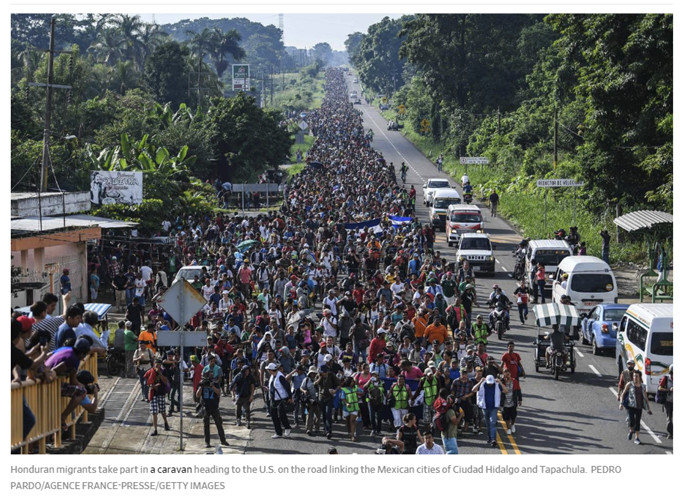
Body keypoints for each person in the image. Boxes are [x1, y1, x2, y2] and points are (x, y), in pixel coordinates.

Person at [473, 374, 508, 447]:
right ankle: (490, 438)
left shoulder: (497, 385)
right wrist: (480, 382)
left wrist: (500, 382)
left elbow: (506, 391)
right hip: (485, 408)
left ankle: (493, 439)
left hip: (493, 408)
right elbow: (473, 390)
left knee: (493, 423)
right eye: (489, 383)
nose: (490, 385)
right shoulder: (482, 384)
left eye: (491, 383)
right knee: (488, 424)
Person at [619, 369, 653, 444]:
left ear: (640, 377)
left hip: (639, 407)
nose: (635, 377)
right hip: (631, 406)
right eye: (634, 376)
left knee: (638, 422)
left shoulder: (643, 386)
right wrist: (621, 403)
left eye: (637, 376)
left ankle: (637, 438)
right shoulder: (629, 384)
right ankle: (631, 430)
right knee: (631, 421)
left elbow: (646, 398)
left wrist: (648, 408)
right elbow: (623, 394)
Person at [197, 369, 229, 448]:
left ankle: (223, 440)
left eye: (212, 374)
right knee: (206, 426)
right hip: (206, 407)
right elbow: (198, 395)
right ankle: (207, 442)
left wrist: (212, 386)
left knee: (219, 424)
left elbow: (218, 392)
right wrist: (201, 386)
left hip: (214, 407)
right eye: (209, 375)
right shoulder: (202, 383)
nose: (211, 376)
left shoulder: (215, 383)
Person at [266, 362, 293, 439]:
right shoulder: (272, 376)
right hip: (273, 399)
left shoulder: (280, 376)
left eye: (268, 370)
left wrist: (290, 397)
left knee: (282, 415)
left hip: (281, 399)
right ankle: (278, 432)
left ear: (271, 370)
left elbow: (287, 386)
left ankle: (287, 427)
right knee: (274, 416)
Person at [143, 361, 170, 436]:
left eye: (159, 364)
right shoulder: (150, 372)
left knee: (162, 410)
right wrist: (152, 386)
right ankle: (155, 429)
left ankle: (166, 422)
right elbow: (147, 383)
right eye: (156, 364)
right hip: (153, 393)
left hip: (161, 393)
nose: (157, 366)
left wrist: (160, 374)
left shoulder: (163, 371)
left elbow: (165, 381)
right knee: (154, 412)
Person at [301, 366, 321, 436]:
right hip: (309, 400)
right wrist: (304, 391)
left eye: (314, 373)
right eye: (312, 373)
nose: (313, 374)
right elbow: (301, 387)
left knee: (318, 415)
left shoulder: (319, 379)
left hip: (318, 400)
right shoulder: (306, 380)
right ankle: (309, 429)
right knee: (309, 414)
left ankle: (317, 428)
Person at [340, 376, 360, 441]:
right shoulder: (344, 389)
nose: (353, 382)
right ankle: (349, 432)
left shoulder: (355, 388)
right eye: (352, 381)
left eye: (353, 381)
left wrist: (358, 393)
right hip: (347, 408)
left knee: (352, 420)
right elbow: (342, 398)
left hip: (354, 407)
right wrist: (346, 403)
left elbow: (362, 392)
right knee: (348, 421)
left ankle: (353, 435)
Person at [657, 364, 673, 439]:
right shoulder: (666, 378)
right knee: (669, 419)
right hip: (668, 401)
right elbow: (660, 388)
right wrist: (669, 390)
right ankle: (670, 433)